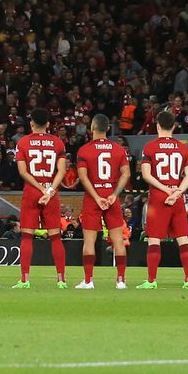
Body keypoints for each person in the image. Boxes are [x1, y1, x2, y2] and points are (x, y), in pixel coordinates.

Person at [139, 111, 188, 290]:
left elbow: (146, 175)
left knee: (154, 240)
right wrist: (178, 191)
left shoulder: (149, 147)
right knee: (183, 239)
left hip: (158, 196)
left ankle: (151, 280)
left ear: (157, 126)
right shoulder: (183, 147)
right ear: (174, 126)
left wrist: (166, 190)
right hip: (176, 197)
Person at [12, 108, 67, 288]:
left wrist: (40, 189)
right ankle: (61, 280)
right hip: (51, 191)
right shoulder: (58, 143)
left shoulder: (23, 142)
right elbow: (62, 171)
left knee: (27, 236)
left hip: (32, 191)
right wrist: (49, 190)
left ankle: (25, 279)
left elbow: (22, 171)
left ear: (31, 124)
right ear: (48, 124)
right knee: (55, 237)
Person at [74, 114, 130, 290]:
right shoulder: (118, 149)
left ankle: (88, 280)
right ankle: (121, 280)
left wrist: (97, 197)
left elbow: (83, 177)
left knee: (89, 241)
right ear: (108, 128)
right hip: (111, 197)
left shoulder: (84, 150)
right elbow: (126, 174)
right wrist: (114, 194)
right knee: (118, 241)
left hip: (93, 198)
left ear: (92, 127)